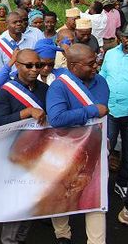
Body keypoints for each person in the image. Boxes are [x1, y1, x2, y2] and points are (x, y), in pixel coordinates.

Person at [46, 43, 109, 244]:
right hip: (67, 151)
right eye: (90, 64)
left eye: (95, 62)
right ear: (73, 66)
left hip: (96, 149)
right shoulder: (58, 86)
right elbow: (56, 118)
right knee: (63, 193)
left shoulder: (101, 82)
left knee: (97, 197)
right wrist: (90, 111)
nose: (95, 67)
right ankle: (62, 233)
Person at [0, 49, 47, 244]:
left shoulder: (44, 89)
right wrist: (26, 113)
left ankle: (21, 238)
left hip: (38, 152)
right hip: (13, 153)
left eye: (38, 66)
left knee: (32, 199)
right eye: (29, 65)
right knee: (16, 200)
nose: (35, 70)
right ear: (17, 66)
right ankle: (9, 241)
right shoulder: (7, 91)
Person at [100, 21, 128, 199]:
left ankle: (123, 183)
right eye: (126, 37)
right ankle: (102, 186)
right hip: (110, 111)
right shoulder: (110, 54)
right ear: (120, 37)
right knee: (105, 149)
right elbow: (103, 76)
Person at [0, 12, 42, 76]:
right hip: (8, 82)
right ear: (7, 25)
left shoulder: (32, 41)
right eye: (15, 22)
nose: (19, 24)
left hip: (29, 81)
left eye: (20, 22)